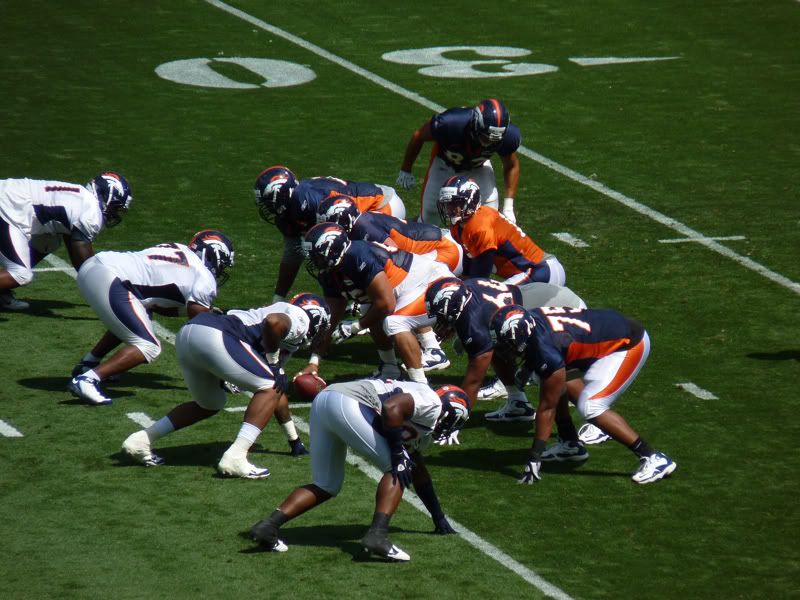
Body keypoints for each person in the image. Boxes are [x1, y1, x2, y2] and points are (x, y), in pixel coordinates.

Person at [248, 380, 470, 560]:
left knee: (327, 484)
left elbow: (419, 472)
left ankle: (268, 526)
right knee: (396, 466)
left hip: (327, 401)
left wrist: (438, 517)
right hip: (349, 401)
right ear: (453, 413)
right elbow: (392, 408)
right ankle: (378, 536)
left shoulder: (424, 421)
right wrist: (397, 454)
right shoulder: (432, 403)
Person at [121, 294, 331, 478]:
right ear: (317, 318)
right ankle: (236, 456)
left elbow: (277, 393)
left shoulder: (279, 333)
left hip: (191, 333)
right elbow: (274, 322)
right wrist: (274, 364)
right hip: (217, 335)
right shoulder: (299, 319)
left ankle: (141, 440)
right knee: (267, 385)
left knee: (210, 403)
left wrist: (294, 440)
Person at [489, 304, 677, 485]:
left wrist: (534, 457)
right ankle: (570, 443)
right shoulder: (530, 323)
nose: (504, 349)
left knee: (590, 406)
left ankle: (653, 457)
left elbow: (547, 409)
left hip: (626, 344)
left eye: (507, 343)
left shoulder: (545, 348)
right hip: (604, 333)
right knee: (547, 377)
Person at [67, 230, 234, 406]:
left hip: (96, 267)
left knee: (142, 313)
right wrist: (223, 373)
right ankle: (87, 379)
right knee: (148, 346)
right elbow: (202, 329)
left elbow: (158, 302)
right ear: (213, 254)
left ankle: (89, 363)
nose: (220, 269)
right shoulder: (204, 277)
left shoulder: (178, 249)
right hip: (111, 277)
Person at [317, 194, 461, 370]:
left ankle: (432, 349)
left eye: (329, 224)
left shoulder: (363, 229)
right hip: (426, 252)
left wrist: (359, 320)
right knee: (380, 300)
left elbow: (394, 253)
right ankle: (391, 365)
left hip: (440, 250)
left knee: (396, 295)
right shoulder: (354, 234)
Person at [302, 223, 454, 383]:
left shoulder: (358, 256)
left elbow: (387, 304)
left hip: (430, 284)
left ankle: (421, 385)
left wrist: (355, 327)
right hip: (405, 291)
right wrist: (314, 361)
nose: (313, 260)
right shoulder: (330, 273)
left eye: (317, 255)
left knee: (394, 323)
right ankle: (389, 368)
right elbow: (330, 319)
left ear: (332, 250)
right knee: (371, 308)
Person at [425, 277, 586, 424]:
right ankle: (518, 402)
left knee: (551, 372)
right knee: (499, 344)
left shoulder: (476, 322)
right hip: (536, 296)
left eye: (443, 314)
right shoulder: (466, 289)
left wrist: (457, 419)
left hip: (557, 308)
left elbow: (474, 380)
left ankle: (596, 418)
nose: (441, 320)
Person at [253, 166, 406, 303]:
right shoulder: (288, 211)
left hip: (379, 206)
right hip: (358, 218)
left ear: (282, 194)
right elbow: (292, 253)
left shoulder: (310, 201)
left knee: (353, 254)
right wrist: (278, 297)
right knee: (329, 255)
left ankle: (386, 301)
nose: (266, 208)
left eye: (269, 201)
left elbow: (349, 224)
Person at [0, 173, 132, 311]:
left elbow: (79, 262)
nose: (115, 213)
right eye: (116, 207)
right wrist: (112, 294)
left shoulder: (82, 198)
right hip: (9, 206)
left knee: (48, 241)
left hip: (12, 200)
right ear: (105, 195)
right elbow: (86, 266)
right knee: (21, 274)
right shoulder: (91, 212)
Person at [396, 98, 520, 225]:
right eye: (485, 137)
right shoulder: (451, 122)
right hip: (444, 165)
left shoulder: (508, 136)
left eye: (495, 141)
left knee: (489, 217)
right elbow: (419, 135)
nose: (489, 143)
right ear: (476, 124)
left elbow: (511, 165)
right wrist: (406, 169)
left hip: (478, 167)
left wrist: (509, 207)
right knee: (429, 219)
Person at [439, 175, 565, 286]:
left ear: (472, 200)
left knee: (497, 299)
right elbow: (471, 258)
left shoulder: (480, 224)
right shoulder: (459, 227)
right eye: (447, 204)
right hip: (533, 272)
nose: (450, 209)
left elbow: (480, 278)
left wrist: (468, 285)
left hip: (540, 270)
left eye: (456, 203)